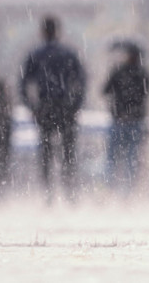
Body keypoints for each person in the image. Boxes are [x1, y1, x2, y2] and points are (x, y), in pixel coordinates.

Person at [20, 16, 86, 204]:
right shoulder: (68, 54)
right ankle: (70, 194)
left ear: (42, 32)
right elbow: (81, 82)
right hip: (65, 107)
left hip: (45, 107)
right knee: (68, 153)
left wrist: (32, 107)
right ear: (58, 31)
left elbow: (23, 84)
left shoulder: (36, 55)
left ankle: (48, 195)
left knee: (46, 154)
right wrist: (75, 105)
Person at [102, 42, 149, 196]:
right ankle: (128, 192)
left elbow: (105, 90)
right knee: (132, 158)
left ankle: (110, 189)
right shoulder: (143, 74)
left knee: (112, 157)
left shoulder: (118, 71)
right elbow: (147, 93)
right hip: (136, 121)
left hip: (119, 119)